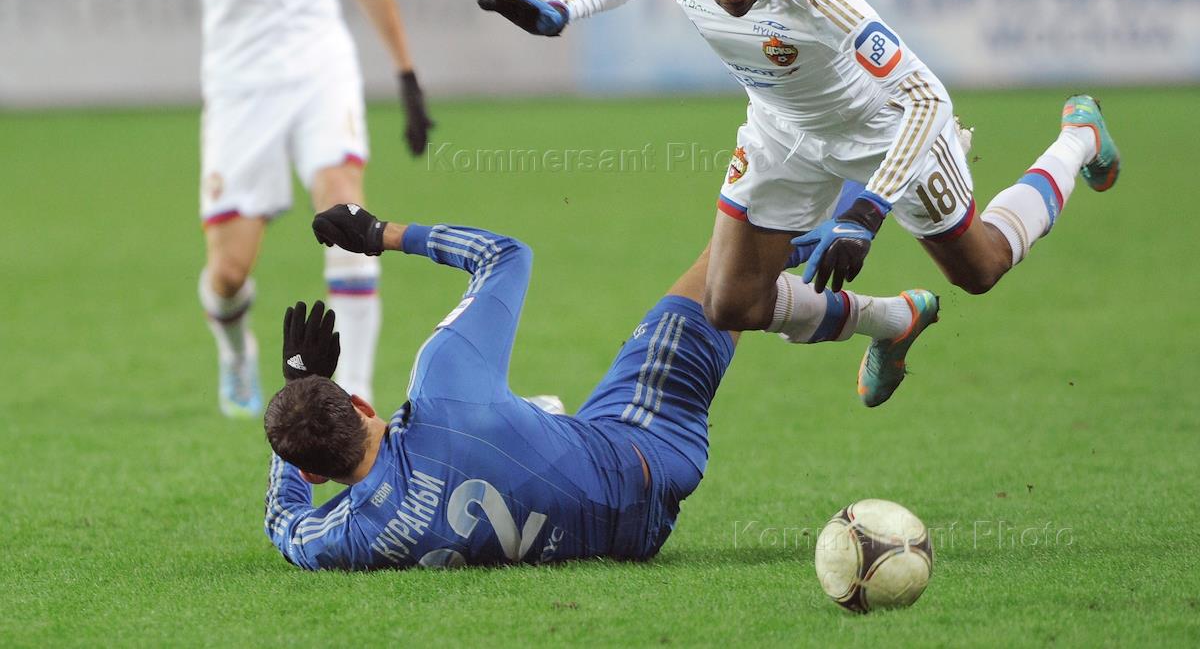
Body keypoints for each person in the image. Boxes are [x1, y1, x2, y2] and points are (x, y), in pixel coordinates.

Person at [478, 0, 1119, 406]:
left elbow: (928, 99)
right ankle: (894, 321)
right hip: (782, 131)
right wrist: (560, 10)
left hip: (884, 131)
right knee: (732, 302)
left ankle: (1077, 140)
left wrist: (866, 212)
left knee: (980, 270)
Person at [56, 0, 434, 417]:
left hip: (320, 68)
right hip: (240, 87)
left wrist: (405, 72)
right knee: (229, 272)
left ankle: (356, 395)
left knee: (345, 210)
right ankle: (234, 350)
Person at [263, 202, 933, 570]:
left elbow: (282, 523)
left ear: (314, 474)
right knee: (730, 270)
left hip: (629, 537)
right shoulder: (443, 386)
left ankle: (880, 307)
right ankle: (868, 233)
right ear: (360, 403)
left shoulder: (346, 538)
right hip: (646, 446)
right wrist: (380, 233)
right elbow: (504, 255)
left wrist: (298, 397)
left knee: (534, 422)